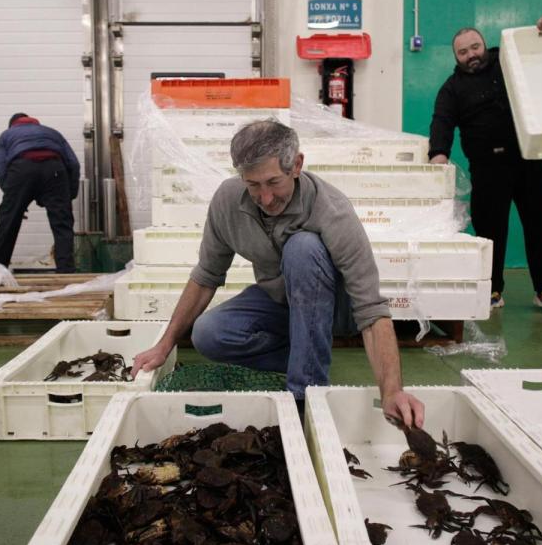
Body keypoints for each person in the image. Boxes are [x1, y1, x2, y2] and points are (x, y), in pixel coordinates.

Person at [131, 120, 425, 428]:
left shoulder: (331, 210)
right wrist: (164, 345)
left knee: (303, 248)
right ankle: (308, 355)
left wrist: (392, 391)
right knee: (208, 334)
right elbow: (206, 276)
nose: (265, 198)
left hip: (337, 311)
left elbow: (371, 309)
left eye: (273, 182)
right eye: (253, 185)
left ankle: (304, 396)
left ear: (296, 165)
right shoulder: (227, 201)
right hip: (280, 300)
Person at [428, 15, 542, 314]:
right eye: (463, 52)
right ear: (456, 58)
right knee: (490, 231)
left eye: (475, 47)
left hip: (530, 158)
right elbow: (441, 121)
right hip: (487, 167)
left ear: (485, 45)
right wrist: (438, 153)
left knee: (540, 224)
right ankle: (490, 289)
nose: (472, 55)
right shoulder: (451, 89)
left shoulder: (511, 59)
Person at [0, 113, 81, 273]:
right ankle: (66, 272)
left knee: (8, 222)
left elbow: (0, 168)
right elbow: (73, 163)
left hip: (21, 169)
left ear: (12, 125)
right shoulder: (53, 132)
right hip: (54, 170)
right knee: (62, 224)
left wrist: (12, 198)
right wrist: (69, 195)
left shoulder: (6, 135)